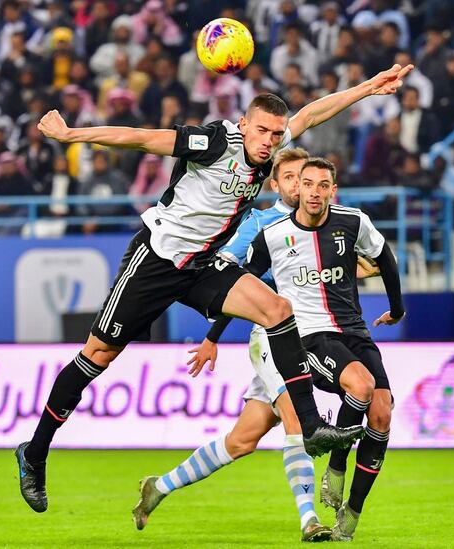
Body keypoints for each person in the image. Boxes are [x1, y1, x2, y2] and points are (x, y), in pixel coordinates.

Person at [15, 63, 414, 514]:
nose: (269, 141)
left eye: (276, 133)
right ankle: (35, 452)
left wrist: (367, 88)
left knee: (278, 310)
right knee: (97, 357)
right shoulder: (214, 142)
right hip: (157, 261)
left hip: (203, 265)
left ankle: (310, 425)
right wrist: (72, 135)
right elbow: (145, 138)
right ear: (244, 125)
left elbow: (314, 114)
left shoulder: (274, 144)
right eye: (261, 131)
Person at [132, 148, 379, 541]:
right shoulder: (259, 224)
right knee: (299, 419)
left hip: (315, 336)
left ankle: (159, 486)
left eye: (307, 177)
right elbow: (232, 276)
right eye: (293, 178)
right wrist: (213, 335)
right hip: (272, 336)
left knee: (242, 440)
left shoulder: (326, 223)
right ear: (277, 184)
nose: (302, 186)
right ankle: (309, 520)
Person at [197, 157, 404, 541]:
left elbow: (385, 257)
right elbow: (239, 286)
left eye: (322, 185)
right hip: (307, 336)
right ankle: (336, 469)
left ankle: (351, 515)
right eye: (306, 184)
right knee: (360, 386)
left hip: (353, 331)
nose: (313, 192)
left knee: (382, 409)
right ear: (296, 190)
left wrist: (398, 307)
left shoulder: (352, 222)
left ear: (331, 190)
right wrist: (213, 336)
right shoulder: (272, 235)